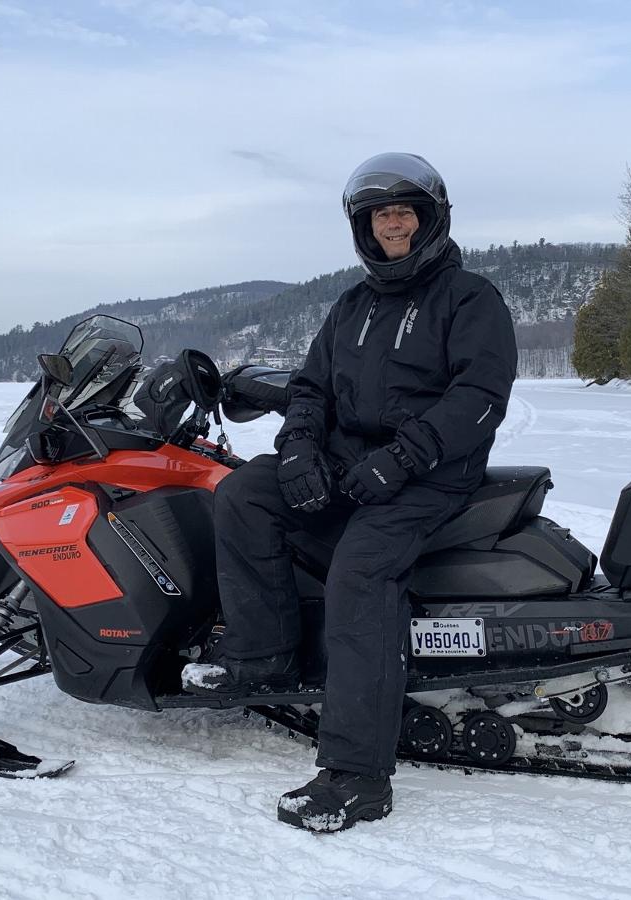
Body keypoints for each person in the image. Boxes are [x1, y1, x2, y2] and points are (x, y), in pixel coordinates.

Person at [181, 152, 517, 832]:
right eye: (380, 215)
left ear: (429, 220)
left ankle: (358, 775)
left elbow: (479, 397)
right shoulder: (353, 304)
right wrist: (300, 449)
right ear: (365, 227)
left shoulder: (470, 298)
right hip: (349, 464)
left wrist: (402, 457)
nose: (392, 225)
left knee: (360, 570)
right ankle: (262, 658)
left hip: (428, 476)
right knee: (246, 491)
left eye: (404, 213)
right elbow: (310, 389)